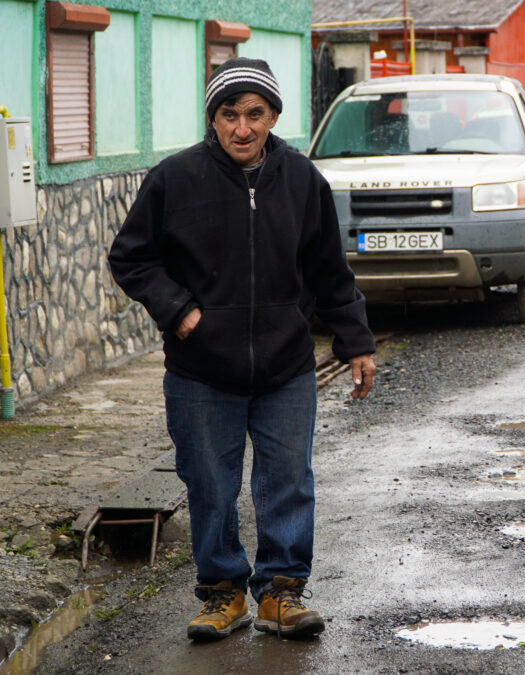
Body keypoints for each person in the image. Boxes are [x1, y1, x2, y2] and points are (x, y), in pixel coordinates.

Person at [108, 57, 377, 640]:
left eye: (254, 114)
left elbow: (330, 270)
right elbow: (131, 257)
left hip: (285, 366)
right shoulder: (175, 179)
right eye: (229, 115)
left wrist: (355, 341)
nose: (242, 128)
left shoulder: (303, 180)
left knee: (287, 482)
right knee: (209, 483)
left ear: (273, 116)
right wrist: (179, 313)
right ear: (213, 119)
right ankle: (222, 594)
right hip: (200, 369)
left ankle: (281, 593)